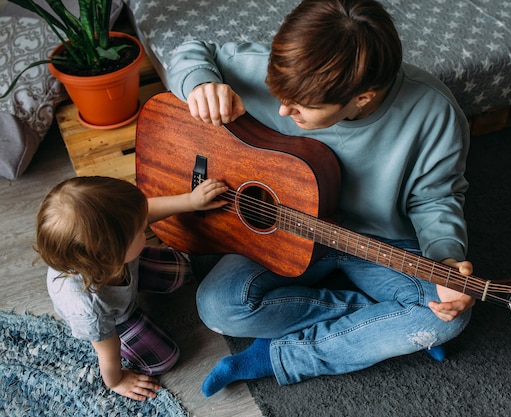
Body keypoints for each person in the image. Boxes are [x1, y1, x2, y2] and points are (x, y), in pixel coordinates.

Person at [167, 0, 475, 396]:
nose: (281, 108)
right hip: (281, 227)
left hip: (379, 241)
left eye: (300, 107)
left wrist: (445, 259)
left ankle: (278, 355)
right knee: (218, 307)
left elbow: (436, 198)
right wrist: (199, 82)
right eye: (279, 92)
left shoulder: (434, 112)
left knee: (447, 319)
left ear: (362, 98)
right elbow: (193, 49)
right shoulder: (282, 72)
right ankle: (381, 324)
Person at [35, 175, 228, 401]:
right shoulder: (89, 310)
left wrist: (190, 201)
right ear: (110, 256)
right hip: (114, 319)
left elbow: (144, 211)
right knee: (165, 359)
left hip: (126, 275)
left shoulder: (111, 244)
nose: (145, 229)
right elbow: (107, 353)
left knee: (182, 270)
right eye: (139, 232)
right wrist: (116, 381)